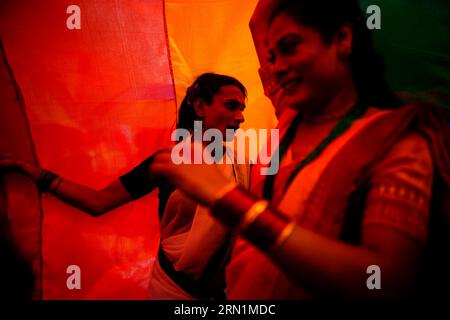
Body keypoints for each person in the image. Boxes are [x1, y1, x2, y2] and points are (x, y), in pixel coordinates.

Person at [150, 0, 450, 299]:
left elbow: (385, 279)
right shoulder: (291, 115)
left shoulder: (399, 142)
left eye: (290, 47)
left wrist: (231, 201)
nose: (277, 68)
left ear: (343, 39)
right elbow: (259, 22)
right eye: (272, 56)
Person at [0, 72, 249, 300]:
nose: (240, 117)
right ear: (200, 107)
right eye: (231, 106)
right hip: (172, 290)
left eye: (242, 109)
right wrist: (33, 172)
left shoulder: (241, 164)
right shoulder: (169, 161)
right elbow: (97, 202)